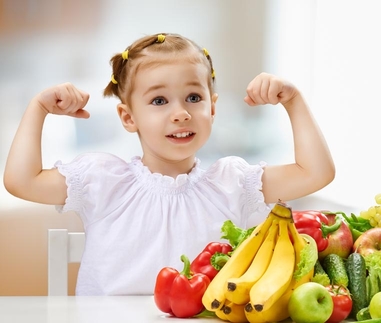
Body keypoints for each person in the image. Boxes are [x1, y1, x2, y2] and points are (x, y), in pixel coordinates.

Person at [3, 33, 335, 296]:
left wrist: (293, 101)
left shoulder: (233, 183)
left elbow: (316, 173)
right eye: (159, 101)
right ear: (128, 117)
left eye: (194, 97)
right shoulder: (102, 180)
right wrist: (38, 108)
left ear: (213, 108)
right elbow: (21, 181)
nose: (181, 112)